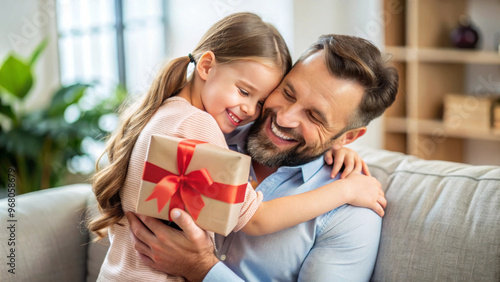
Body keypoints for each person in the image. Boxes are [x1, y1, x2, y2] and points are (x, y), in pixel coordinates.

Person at [89, 13, 386, 281]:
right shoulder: (209, 130)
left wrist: (203, 270)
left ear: (347, 137)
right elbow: (254, 218)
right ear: (206, 66)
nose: (283, 117)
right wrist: (343, 189)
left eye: (314, 116)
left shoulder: (352, 217)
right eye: (287, 93)